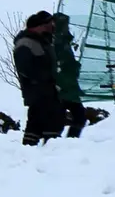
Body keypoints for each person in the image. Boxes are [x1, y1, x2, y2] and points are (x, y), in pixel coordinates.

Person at [13, 10, 63, 146]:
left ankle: (47, 149)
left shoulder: (43, 42)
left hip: (48, 90)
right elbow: (25, 68)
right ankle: (40, 150)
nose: (51, 27)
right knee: (39, 122)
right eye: (48, 24)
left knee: (45, 122)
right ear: (39, 26)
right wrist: (42, 78)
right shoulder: (26, 43)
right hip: (37, 90)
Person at [52, 13, 88, 139]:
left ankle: (69, 143)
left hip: (69, 86)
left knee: (79, 117)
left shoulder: (64, 42)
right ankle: (54, 145)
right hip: (61, 87)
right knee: (59, 121)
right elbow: (58, 65)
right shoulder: (56, 43)